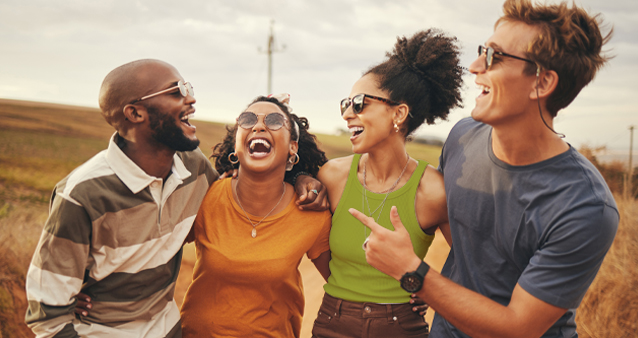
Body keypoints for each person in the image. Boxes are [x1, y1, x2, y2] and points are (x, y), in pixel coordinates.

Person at [351, 1, 619, 337]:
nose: (475, 66)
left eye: (493, 57)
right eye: (482, 52)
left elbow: (517, 328)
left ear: (542, 83)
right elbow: (457, 232)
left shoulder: (585, 206)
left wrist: (413, 273)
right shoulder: (463, 137)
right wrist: (305, 184)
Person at [25, 60, 325, 338]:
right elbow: (48, 314)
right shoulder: (82, 194)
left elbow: (252, 186)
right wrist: (80, 296)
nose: (191, 99)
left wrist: (302, 177)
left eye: (189, 89)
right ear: (135, 113)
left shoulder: (193, 172)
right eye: (177, 91)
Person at [311, 29, 463, 338]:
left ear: (399, 113)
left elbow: (474, 266)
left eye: (358, 103)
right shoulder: (332, 177)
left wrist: (423, 284)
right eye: (345, 104)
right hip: (331, 324)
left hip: (403, 328)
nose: (347, 114)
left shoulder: (433, 191)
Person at [179, 94, 332, 337]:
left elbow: (342, 284)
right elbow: (154, 253)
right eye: (248, 120)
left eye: (273, 121)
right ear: (236, 145)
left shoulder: (310, 211)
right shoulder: (205, 196)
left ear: (293, 148)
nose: (258, 126)